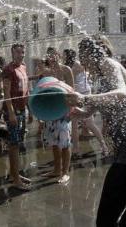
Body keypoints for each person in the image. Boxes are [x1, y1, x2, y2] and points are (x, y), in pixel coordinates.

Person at [66, 36, 126, 227]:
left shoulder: (107, 63)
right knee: (122, 220)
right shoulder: (100, 74)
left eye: (83, 54)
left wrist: (83, 98)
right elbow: (96, 106)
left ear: (94, 52)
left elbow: (121, 95)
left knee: (105, 222)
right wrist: (78, 113)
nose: (81, 60)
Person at [63, 49, 109, 157]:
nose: (63, 57)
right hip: (78, 95)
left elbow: (67, 78)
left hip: (83, 96)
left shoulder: (75, 66)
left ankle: (103, 146)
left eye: (65, 55)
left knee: (88, 123)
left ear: (69, 56)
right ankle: (76, 149)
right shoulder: (71, 65)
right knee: (75, 124)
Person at [41, 47, 74, 184]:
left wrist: (71, 110)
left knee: (65, 143)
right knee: (54, 142)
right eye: (49, 55)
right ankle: (56, 170)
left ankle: (65, 172)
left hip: (64, 110)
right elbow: (42, 93)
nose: (52, 57)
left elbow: (73, 91)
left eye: (53, 55)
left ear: (58, 55)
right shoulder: (47, 72)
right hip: (51, 111)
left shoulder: (66, 70)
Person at [3, 43, 31, 191]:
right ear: (12, 53)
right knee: (13, 145)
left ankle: (16, 174)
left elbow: (26, 91)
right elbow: (6, 94)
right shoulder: (8, 70)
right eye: (18, 52)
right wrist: (11, 112)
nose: (21, 55)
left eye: (22, 52)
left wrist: (30, 110)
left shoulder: (24, 67)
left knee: (18, 143)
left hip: (22, 111)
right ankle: (15, 179)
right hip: (12, 113)